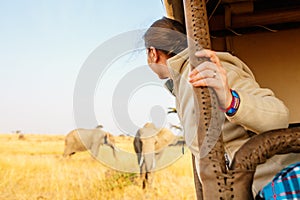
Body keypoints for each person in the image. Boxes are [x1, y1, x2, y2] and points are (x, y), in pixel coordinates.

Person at [143, 16, 299, 196]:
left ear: (152, 52)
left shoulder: (209, 69)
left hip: (271, 183)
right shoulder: (182, 83)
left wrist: (231, 101)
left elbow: (278, 116)